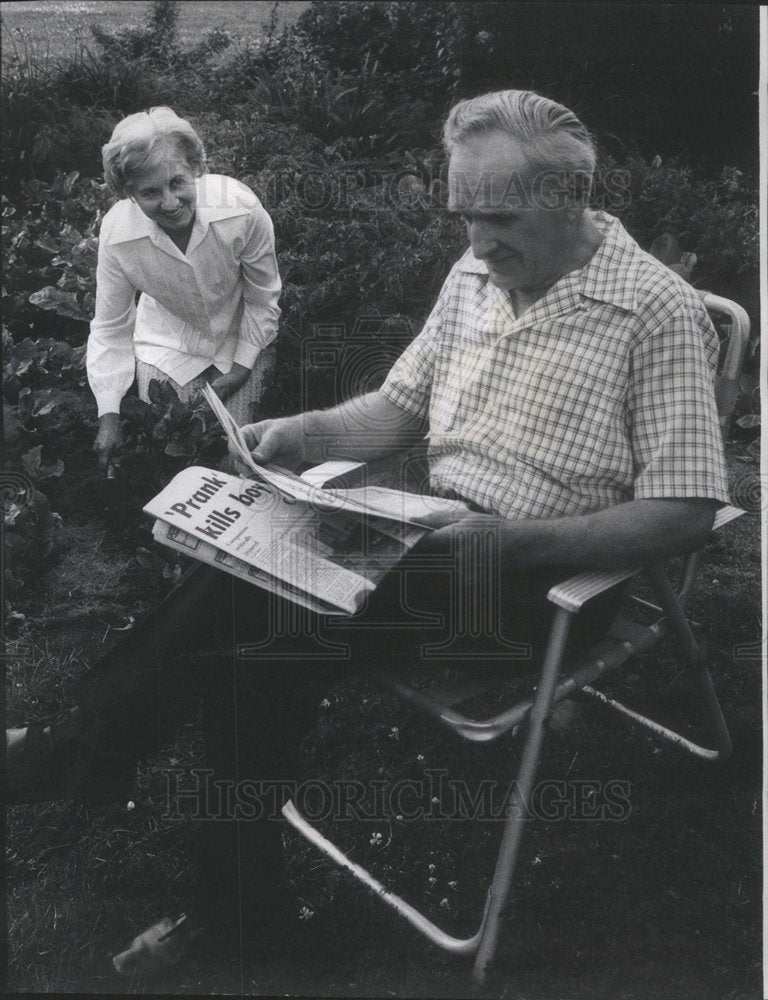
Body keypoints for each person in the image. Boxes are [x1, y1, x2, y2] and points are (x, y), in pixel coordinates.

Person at [7, 89, 729, 977]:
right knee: (253, 620)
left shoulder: (655, 315)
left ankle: (69, 761)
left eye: (498, 219)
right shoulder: (476, 275)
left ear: (570, 200)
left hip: (531, 585)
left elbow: (687, 510)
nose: (477, 243)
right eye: (464, 216)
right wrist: (305, 433)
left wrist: (511, 544)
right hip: (427, 539)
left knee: (254, 611)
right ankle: (220, 897)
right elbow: (400, 408)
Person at [87, 106, 281, 469]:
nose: (171, 203)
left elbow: (262, 298)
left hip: (242, 338)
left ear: (195, 169)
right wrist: (108, 413)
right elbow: (111, 327)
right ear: (128, 192)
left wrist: (240, 369)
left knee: (235, 453)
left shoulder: (240, 210)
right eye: (150, 192)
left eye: (178, 182)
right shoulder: (117, 236)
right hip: (168, 344)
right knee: (169, 450)